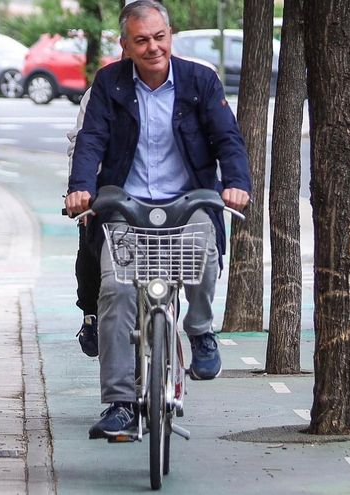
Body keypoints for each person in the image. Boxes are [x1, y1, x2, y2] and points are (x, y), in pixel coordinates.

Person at [64, 0, 251, 439]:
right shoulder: (109, 83)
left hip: (188, 204)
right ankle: (120, 404)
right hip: (126, 208)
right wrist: (80, 188)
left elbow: (228, 139)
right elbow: (90, 141)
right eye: (141, 40)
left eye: (159, 37)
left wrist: (236, 183)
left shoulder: (200, 81)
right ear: (125, 45)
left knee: (204, 255)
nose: (153, 48)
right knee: (115, 292)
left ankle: (201, 329)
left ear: (171, 36)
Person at [66, 86, 101, 358]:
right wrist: (80, 190)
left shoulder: (187, 82)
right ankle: (91, 315)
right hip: (107, 190)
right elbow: (83, 143)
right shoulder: (101, 90)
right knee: (90, 244)